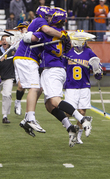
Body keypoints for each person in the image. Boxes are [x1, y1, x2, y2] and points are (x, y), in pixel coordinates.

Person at [20, 8, 93, 147]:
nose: (47, 18)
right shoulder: (64, 34)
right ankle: (69, 127)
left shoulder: (47, 32)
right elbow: (66, 47)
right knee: (49, 106)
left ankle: (82, 119)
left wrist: (23, 33)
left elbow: (28, 38)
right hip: (56, 69)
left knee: (55, 100)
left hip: (52, 70)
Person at [64, 30, 103, 144]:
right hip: (71, 86)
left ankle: (78, 136)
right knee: (68, 112)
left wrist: (98, 72)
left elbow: (97, 65)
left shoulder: (89, 52)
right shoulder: (68, 53)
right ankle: (68, 126)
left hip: (84, 86)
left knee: (81, 111)